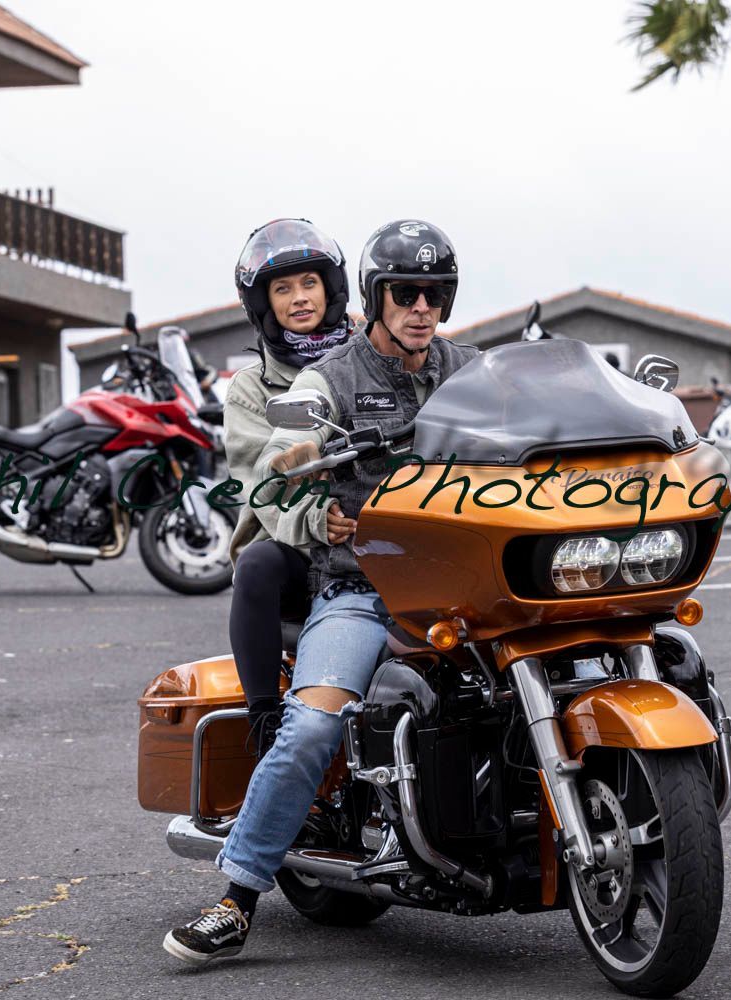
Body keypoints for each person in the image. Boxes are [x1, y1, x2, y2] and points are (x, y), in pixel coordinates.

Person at [164, 220, 478, 965]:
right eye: (406, 292)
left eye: (435, 293)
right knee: (309, 729)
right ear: (376, 297)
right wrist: (300, 462)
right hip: (363, 585)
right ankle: (236, 898)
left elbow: (538, 410)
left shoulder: (471, 369)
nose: (421, 306)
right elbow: (275, 457)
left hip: (473, 585)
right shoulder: (329, 378)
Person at [223, 219, 353, 758]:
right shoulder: (252, 389)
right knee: (257, 565)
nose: (299, 299)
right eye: (282, 289)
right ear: (265, 303)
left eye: (309, 284)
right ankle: (265, 728)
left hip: (392, 541)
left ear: (331, 289)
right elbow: (266, 487)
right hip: (303, 554)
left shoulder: (374, 359)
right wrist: (318, 516)